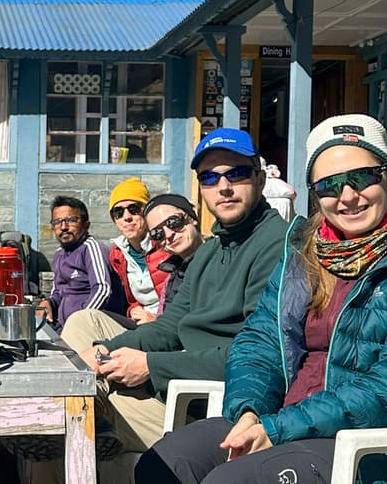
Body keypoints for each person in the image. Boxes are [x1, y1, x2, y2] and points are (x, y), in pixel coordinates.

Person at [136, 113, 387, 484]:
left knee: (233, 481)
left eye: (362, 177)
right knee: (167, 464)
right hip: (288, 419)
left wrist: (278, 427)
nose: (348, 196)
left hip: (386, 446)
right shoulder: (304, 258)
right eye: (329, 185)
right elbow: (259, 341)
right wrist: (251, 410)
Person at [59, 127, 290, 464]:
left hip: (215, 408)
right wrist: (102, 352)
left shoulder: (277, 244)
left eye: (236, 173)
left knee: (69, 414)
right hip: (176, 387)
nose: (223, 187)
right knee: (80, 354)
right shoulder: (210, 252)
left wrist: (152, 366)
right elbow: (168, 327)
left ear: (258, 177)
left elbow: (255, 355)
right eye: (210, 178)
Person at [37, 195, 125, 328]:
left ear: (86, 225)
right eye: (57, 222)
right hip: (63, 326)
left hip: (91, 328)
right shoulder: (59, 254)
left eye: (71, 220)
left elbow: (102, 290)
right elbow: (58, 293)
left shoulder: (90, 248)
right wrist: (48, 303)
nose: (64, 227)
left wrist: (80, 322)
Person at [106, 178, 170, 325]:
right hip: (140, 323)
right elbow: (131, 301)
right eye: (118, 212)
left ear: (146, 212)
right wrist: (133, 311)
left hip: (167, 323)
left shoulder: (167, 244)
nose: (127, 217)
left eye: (133, 209)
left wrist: (157, 320)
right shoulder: (117, 255)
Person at [142, 193, 204, 312]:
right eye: (157, 233)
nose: (169, 234)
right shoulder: (171, 276)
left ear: (191, 218)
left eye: (173, 222)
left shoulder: (220, 258)